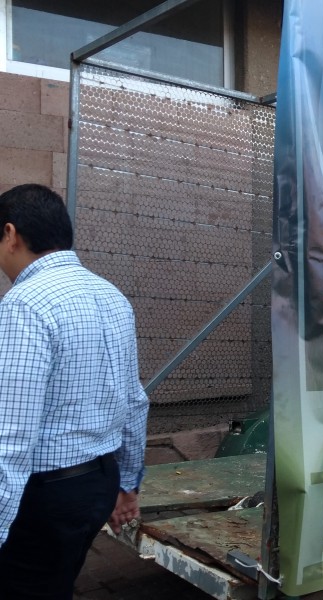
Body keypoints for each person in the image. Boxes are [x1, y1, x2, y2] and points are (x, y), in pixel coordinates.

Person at [0, 184, 148, 599]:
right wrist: (127, 485)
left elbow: (10, 436)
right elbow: (135, 401)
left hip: (45, 497)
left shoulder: (25, 304)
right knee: (56, 583)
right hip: (98, 484)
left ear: (11, 234)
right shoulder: (111, 295)